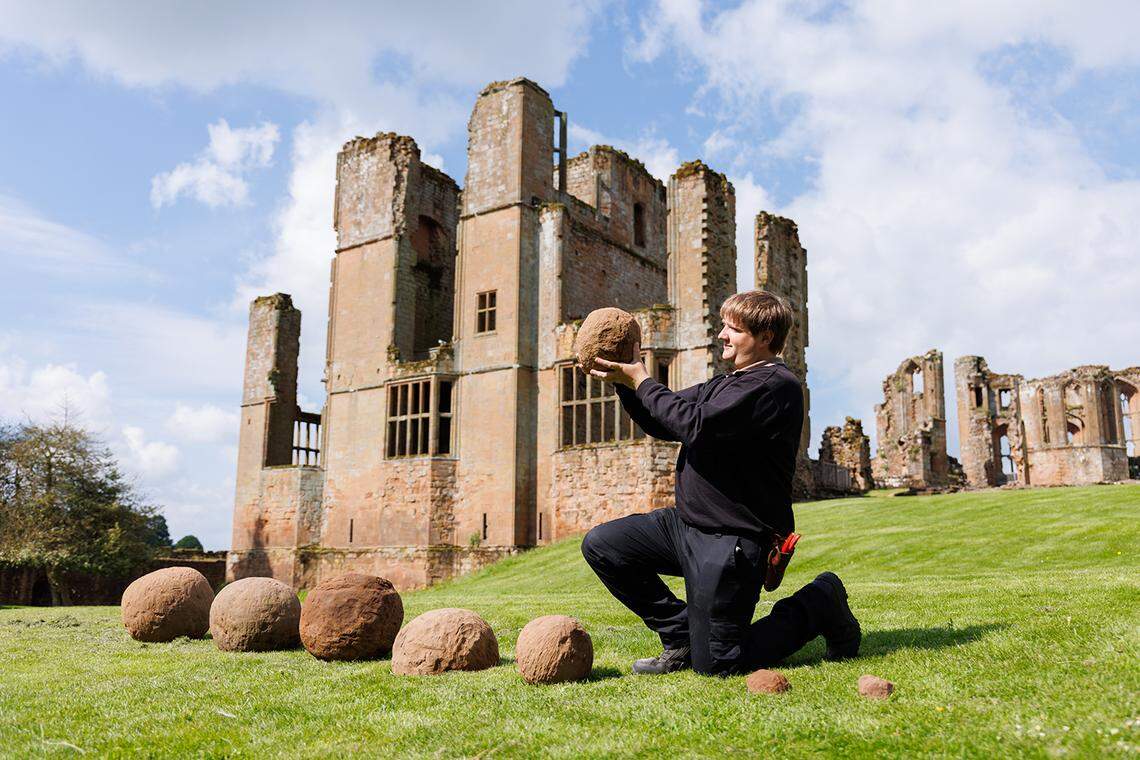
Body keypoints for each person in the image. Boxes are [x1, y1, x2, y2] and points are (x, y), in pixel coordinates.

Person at [580, 290, 861, 676]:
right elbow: (662, 420)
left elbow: (694, 425)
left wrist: (641, 377)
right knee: (604, 546)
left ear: (765, 337)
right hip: (687, 527)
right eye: (725, 326)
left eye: (735, 329)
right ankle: (679, 636)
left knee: (720, 664)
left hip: (733, 540)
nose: (723, 336)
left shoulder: (775, 387)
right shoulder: (723, 385)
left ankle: (820, 602)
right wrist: (623, 381)